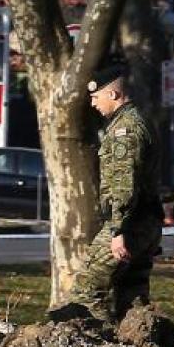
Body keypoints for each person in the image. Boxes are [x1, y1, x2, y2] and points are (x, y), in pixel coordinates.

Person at [59, 60, 164, 322]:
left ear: (113, 94)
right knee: (132, 293)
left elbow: (123, 184)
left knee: (88, 288)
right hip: (146, 221)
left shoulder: (123, 131)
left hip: (129, 224)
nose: (93, 104)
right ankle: (142, 345)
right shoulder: (138, 121)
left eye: (95, 97)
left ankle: (97, 345)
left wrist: (118, 230)